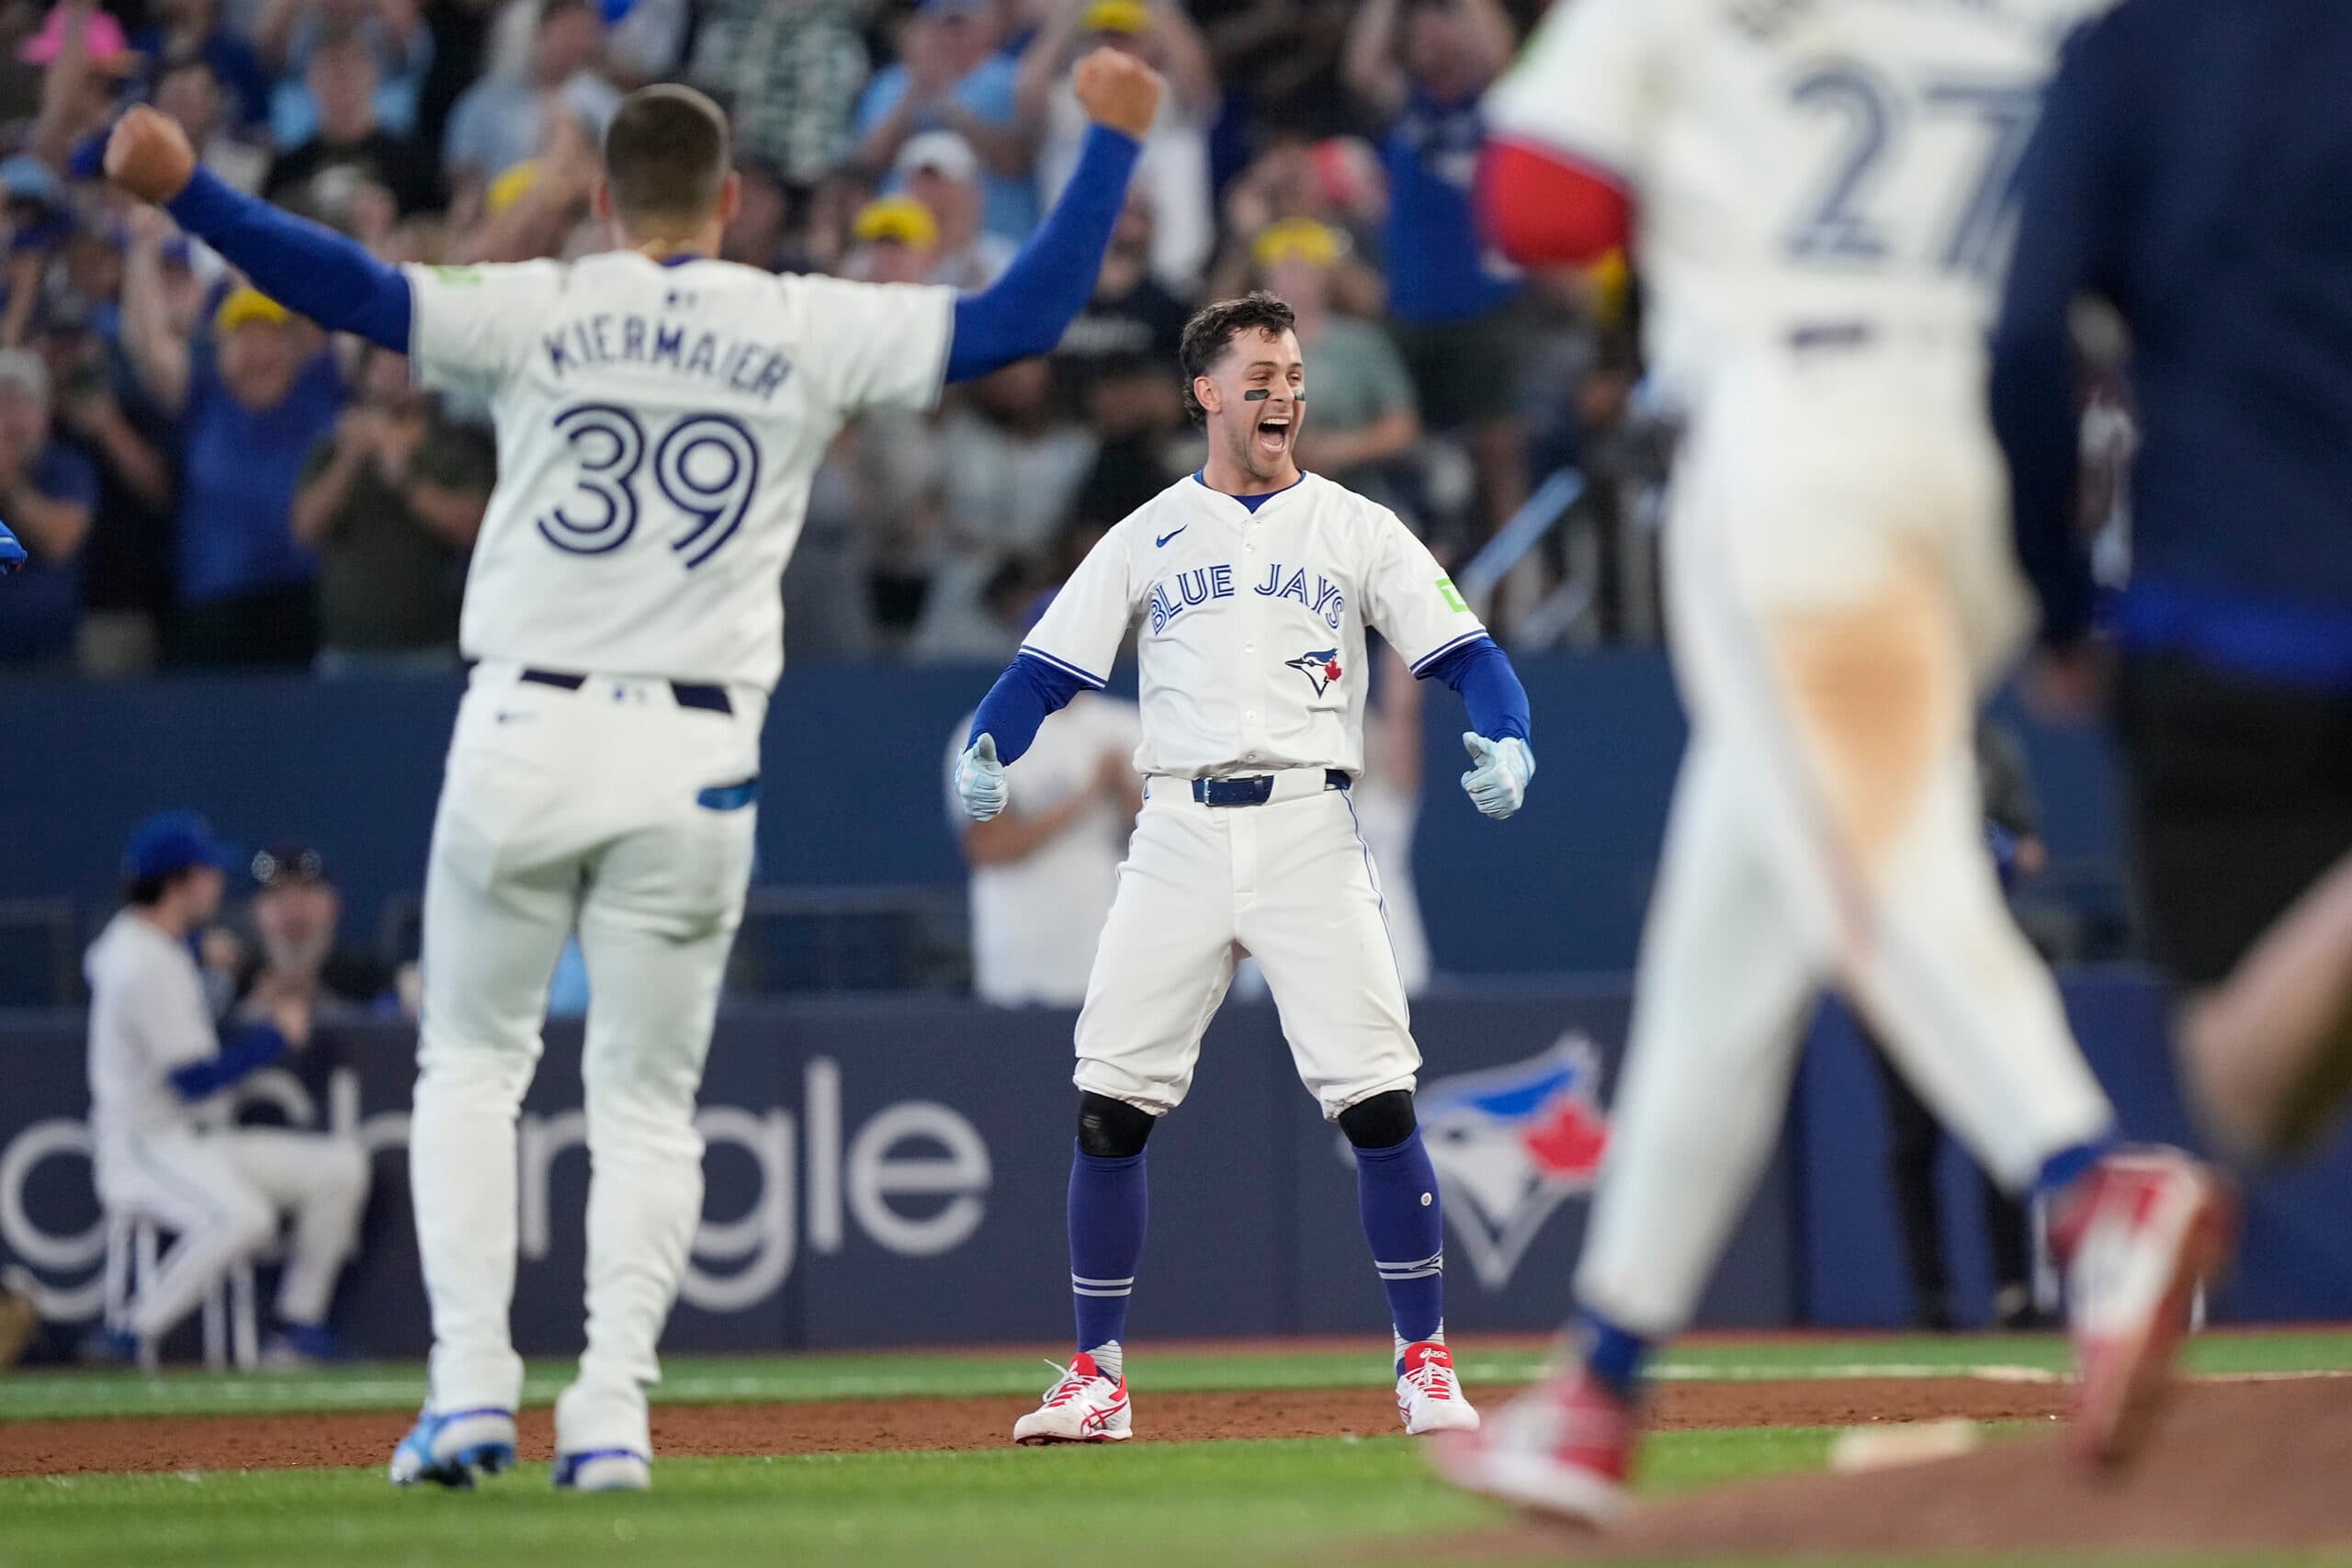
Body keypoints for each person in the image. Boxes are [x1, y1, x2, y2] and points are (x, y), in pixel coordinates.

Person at [107, 47, 1159, 1488]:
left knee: (471, 1067)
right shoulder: (803, 319)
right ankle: (611, 1409)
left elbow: (343, 289)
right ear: (730, 200)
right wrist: (1105, 144)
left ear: (602, 201)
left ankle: (470, 1391)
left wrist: (190, 193)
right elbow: (1029, 315)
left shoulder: (547, 303)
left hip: (523, 730)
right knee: (647, 1103)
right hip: (696, 748)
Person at [1441, 0, 2233, 1524]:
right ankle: (1599, 1380)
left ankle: (2086, 1183)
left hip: (1802, 442)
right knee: (1739, 912)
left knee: (1876, 858)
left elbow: (1539, 204)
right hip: (2008, 454)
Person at [954, 290, 1537, 1444]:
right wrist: (988, 744)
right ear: (1205, 392)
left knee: (1376, 1101)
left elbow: (1468, 654)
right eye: (1258, 374)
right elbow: (1040, 674)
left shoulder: (1356, 527)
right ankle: (1098, 1376)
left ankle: (1424, 1362)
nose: (1283, 392)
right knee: (1111, 1108)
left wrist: (1512, 733)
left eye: (1292, 372)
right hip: (1174, 827)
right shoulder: (1147, 531)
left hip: (1311, 824)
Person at [1991, 0, 2352, 1168]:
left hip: (2239, 619)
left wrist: (2055, 601)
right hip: (2242, 620)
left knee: (2241, 1091)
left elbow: (2025, 338)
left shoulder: (2140, 51)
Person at [81, 811, 370, 1369]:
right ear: (177, 883)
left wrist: (192, 950)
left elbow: (118, 960)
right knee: (245, 1218)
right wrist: (273, 1037)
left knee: (341, 1167)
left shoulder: (150, 946)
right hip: (145, 1147)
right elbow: (194, 1080)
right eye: (206, 872)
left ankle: (296, 1324)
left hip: (193, 1143)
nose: (218, 883)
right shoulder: (141, 961)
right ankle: (129, 1333)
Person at [119, 215, 345, 667]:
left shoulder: (321, 391)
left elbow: (346, 311)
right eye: (243, 339)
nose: (257, 352)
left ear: (293, 348)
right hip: (211, 608)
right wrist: (142, 253)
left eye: (270, 338)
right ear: (219, 352)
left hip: (302, 606)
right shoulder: (203, 400)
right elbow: (147, 346)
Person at [1343, 0, 1525, 541]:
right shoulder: (1405, 106)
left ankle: (1517, 593)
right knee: (1407, 456)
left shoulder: (1495, 105)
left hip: (1486, 305)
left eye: (1444, 28)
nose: (1435, 41)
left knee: (1499, 456)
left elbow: (1501, 55)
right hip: (1410, 308)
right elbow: (1362, 68)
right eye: (1421, 34)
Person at [293, 344, 492, 673]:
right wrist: (350, 460)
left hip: (431, 650)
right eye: (385, 363)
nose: (397, 373)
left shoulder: (459, 445)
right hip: (346, 652)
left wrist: (404, 478)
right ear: (365, 373)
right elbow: (306, 529)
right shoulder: (334, 445)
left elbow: (472, 528)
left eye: (407, 364)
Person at [946, 693, 1143, 1007]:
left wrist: (1121, 787)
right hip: (1019, 952)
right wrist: (1087, 795)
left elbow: (1163, 838)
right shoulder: (987, 729)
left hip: (1105, 946)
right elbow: (989, 845)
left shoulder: (1126, 725)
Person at [264, 27, 445, 219]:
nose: (341, 83)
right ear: (310, 81)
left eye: (350, 71)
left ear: (373, 75)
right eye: (330, 72)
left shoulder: (412, 163)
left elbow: (436, 228)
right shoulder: (287, 169)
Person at [0, 348, 98, 668]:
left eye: (24, 401)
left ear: (45, 413)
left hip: (52, 656)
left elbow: (61, 540)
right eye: (3, 402)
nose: (13, 416)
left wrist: (10, 483)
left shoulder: (68, 467)